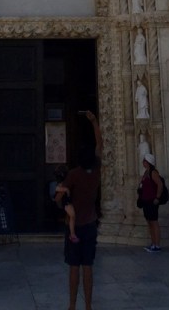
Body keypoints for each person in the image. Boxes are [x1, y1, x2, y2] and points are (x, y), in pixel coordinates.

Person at [56, 111, 103, 310]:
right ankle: (89, 306)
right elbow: (100, 146)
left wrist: (63, 202)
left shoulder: (74, 175)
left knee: (74, 267)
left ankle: (72, 305)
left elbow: (58, 199)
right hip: (91, 224)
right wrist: (93, 121)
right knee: (88, 266)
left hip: (74, 229)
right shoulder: (97, 172)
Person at [138, 152, 164, 252]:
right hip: (146, 200)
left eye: (144, 160)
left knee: (154, 222)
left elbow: (160, 184)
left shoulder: (153, 172)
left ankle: (157, 245)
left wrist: (157, 197)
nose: (143, 162)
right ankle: (153, 243)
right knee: (149, 222)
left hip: (152, 201)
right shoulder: (146, 172)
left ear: (148, 162)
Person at [52, 164, 79, 243]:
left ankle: (71, 233)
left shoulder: (67, 180)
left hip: (69, 201)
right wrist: (66, 189)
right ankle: (72, 235)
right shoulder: (61, 182)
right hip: (67, 202)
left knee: (71, 217)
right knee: (72, 216)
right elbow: (57, 191)